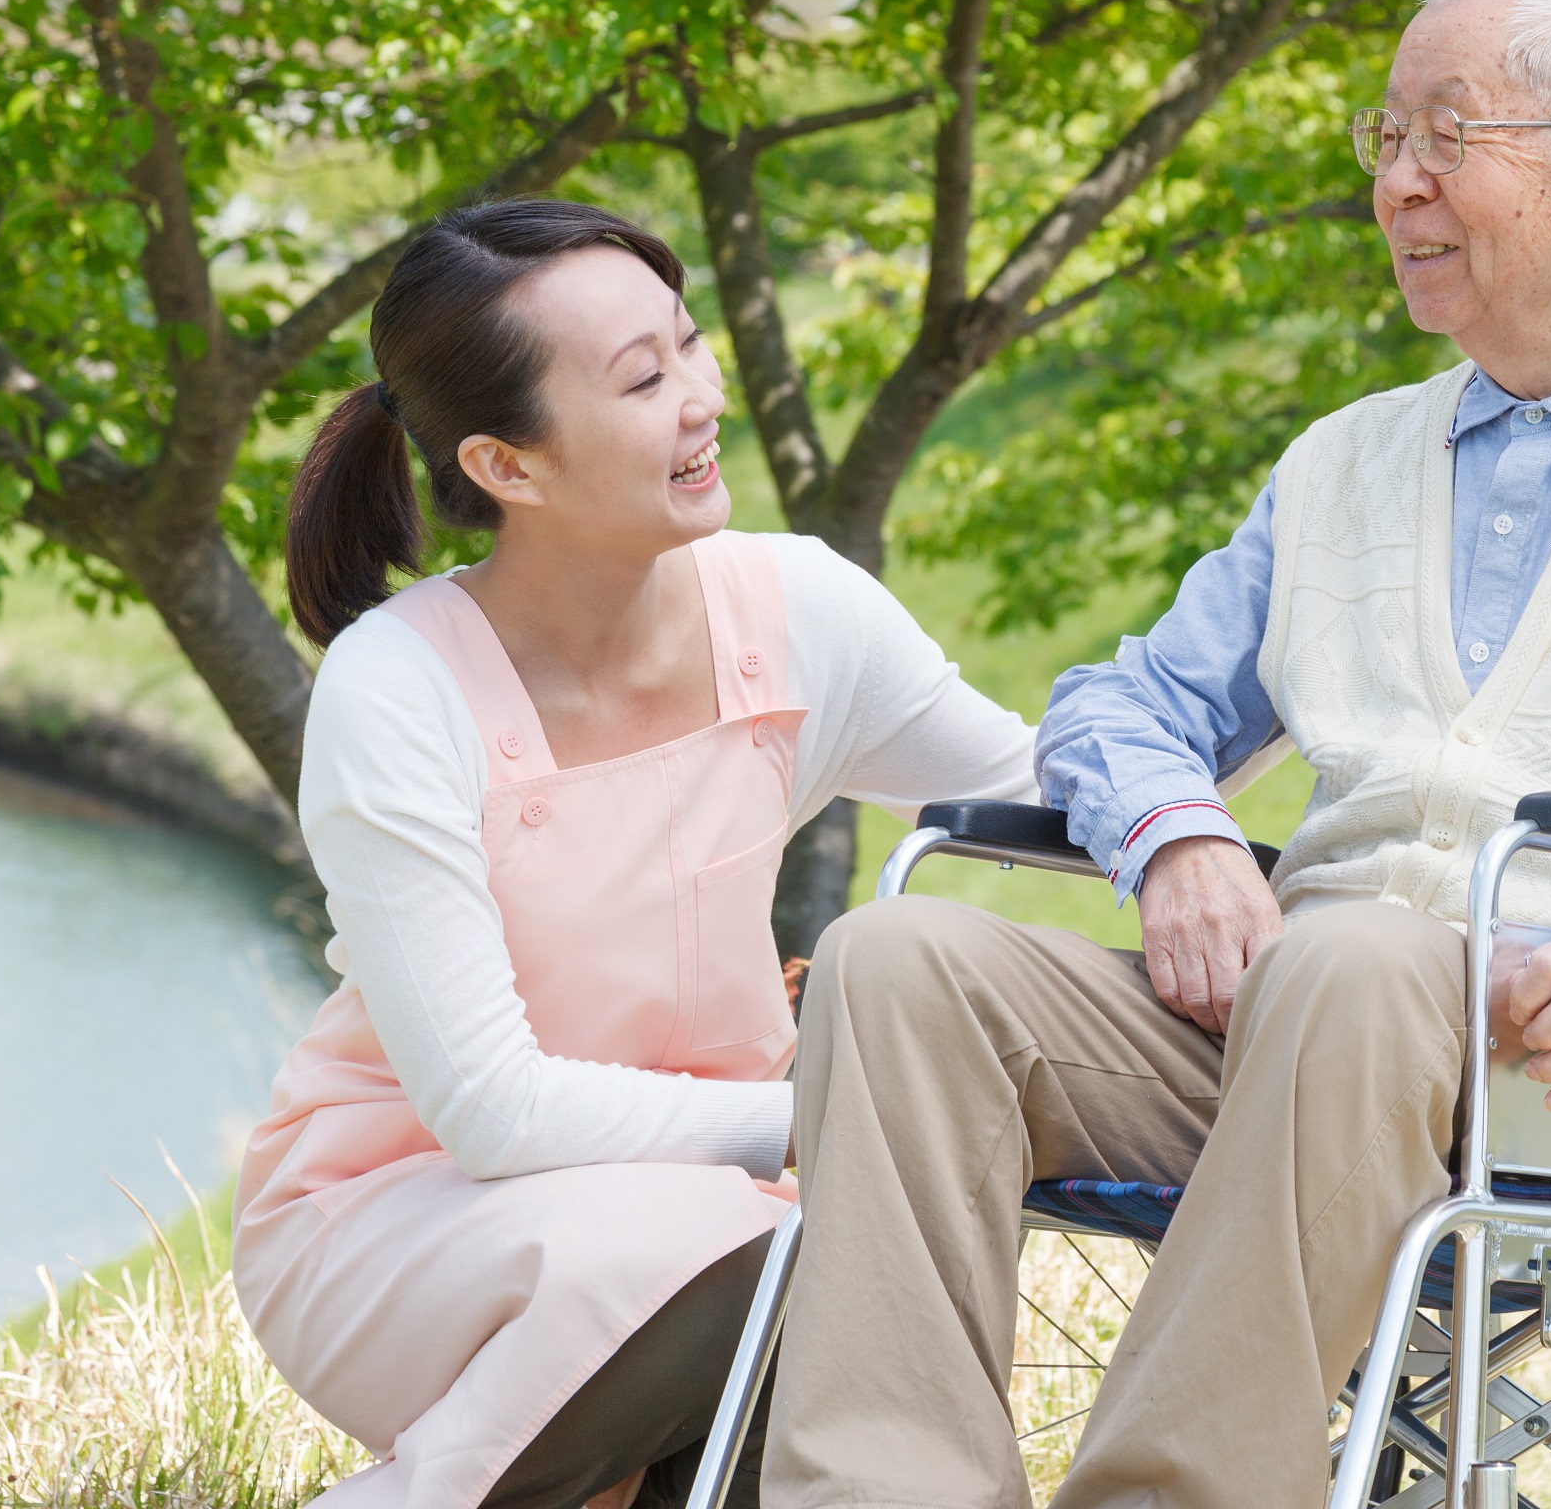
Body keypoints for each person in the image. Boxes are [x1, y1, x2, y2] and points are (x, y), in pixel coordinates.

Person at [766, 0, 1551, 1509]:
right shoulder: (1338, 463)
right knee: (897, 964)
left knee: (1357, 956)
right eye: (1386, 139)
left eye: (1449, 137)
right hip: (1293, 1026)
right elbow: (1122, 704)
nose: (1397, 185)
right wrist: (1175, 838)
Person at [231, 200, 1037, 1509]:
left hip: (726, 1206)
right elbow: (490, 1111)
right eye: (643, 379)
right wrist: (822, 1120)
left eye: (689, 347)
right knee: (781, 1259)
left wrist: (1276, 706)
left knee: (822, 1315)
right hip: (404, 1211)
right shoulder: (399, 686)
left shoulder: (798, 610)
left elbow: (1038, 790)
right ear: (509, 466)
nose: (700, 400)